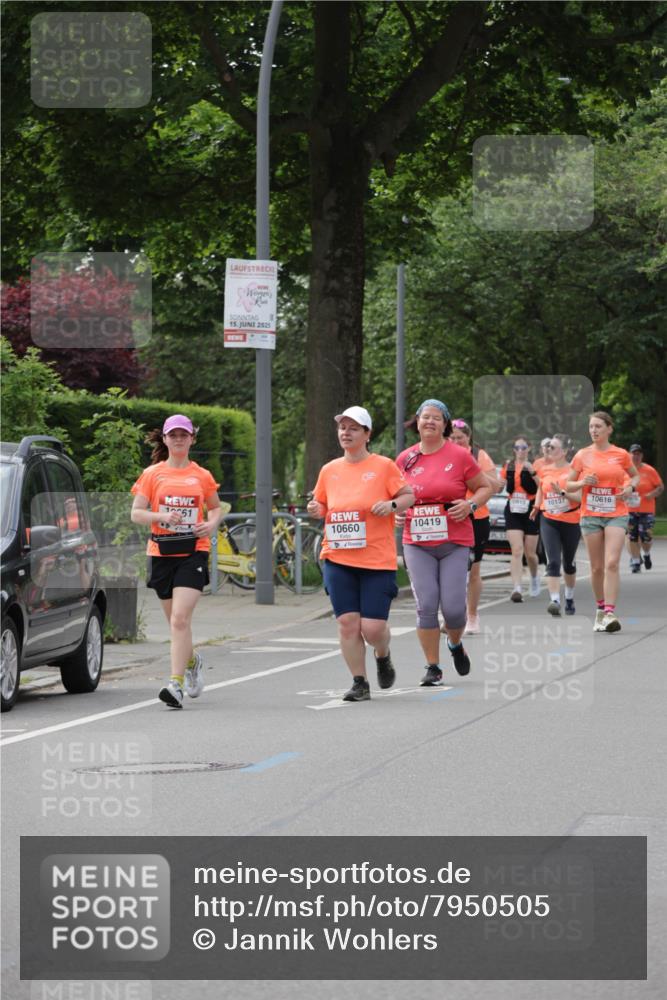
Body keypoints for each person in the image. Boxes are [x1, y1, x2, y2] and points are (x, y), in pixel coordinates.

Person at [307, 406, 414, 703]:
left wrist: (392, 506)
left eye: (354, 428)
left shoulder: (383, 466)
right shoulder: (329, 470)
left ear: (367, 434)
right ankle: (359, 682)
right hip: (338, 556)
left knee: (373, 628)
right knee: (347, 623)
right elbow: (321, 506)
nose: (346, 432)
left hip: (376, 558)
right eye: (343, 427)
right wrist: (316, 510)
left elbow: (408, 496)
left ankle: (383, 654)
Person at [396, 400, 493, 685]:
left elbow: (485, 487)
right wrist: (398, 512)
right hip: (416, 541)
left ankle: (454, 643)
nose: (430, 422)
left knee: (453, 609)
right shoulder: (405, 459)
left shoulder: (461, 456)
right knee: (426, 604)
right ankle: (432, 666)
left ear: (445, 424)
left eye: (436, 418)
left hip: (455, 539)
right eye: (425, 417)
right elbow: (394, 495)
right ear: (417, 421)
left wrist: (471, 506)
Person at [131, 414, 222, 708]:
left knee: (181, 619)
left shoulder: (202, 475)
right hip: (162, 552)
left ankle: (175, 684)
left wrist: (211, 524)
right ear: (166, 439)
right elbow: (136, 513)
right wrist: (161, 517)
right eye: (174, 435)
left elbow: (216, 508)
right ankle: (192, 661)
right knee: (175, 623)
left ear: (192, 439)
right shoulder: (152, 474)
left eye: (184, 435)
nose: (179, 439)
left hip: (194, 551)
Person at [567, 411, 639, 633]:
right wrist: (581, 483)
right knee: (597, 567)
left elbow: (635, 476)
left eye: (598, 426)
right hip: (590, 514)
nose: (594, 430)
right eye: (591, 427)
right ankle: (600, 610)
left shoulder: (621, 454)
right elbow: (568, 485)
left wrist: (629, 487)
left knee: (612, 563)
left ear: (609, 428)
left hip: (616, 512)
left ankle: (609, 612)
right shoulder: (582, 455)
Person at [449, 419, 502, 634]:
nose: (456, 442)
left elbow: (495, 485)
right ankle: (454, 614)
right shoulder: (443, 455)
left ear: (468, 438)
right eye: (451, 438)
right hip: (452, 516)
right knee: (453, 569)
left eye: (460, 438)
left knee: (474, 570)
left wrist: (474, 474)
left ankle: (472, 615)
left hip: (476, 516)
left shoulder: (479, 455)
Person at [529, 434, 581, 616]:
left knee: (568, 563)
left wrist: (564, 493)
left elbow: (580, 498)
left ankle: (569, 597)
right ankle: (554, 600)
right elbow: (540, 489)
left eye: (553, 447)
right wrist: (536, 506)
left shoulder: (573, 471)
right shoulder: (544, 469)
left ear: (565, 451)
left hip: (570, 520)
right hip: (548, 519)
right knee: (553, 562)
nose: (549, 450)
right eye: (548, 446)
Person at [500, 437, 540, 602]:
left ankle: (534, 578)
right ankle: (517, 588)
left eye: (524, 447)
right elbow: (499, 485)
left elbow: (543, 486)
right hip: (513, 509)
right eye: (517, 448)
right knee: (517, 550)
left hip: (530, 509)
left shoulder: (535, 465)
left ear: (529, 448)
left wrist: (533, 472)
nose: (521, 450)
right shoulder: (508, 466)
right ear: (514, 450)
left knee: (530, 553)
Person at [625, 444, 663, 572]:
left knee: (646, 537)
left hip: (646, 510)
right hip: (629, 509)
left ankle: (646, 554)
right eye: (633, 453)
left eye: (638, 454)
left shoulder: (649, 470)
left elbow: (660, 487)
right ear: (629, 455)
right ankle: (636, 562)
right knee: (632, 536)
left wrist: (651, 494)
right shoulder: (625, 471)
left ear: (642, 456)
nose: (636, 456)